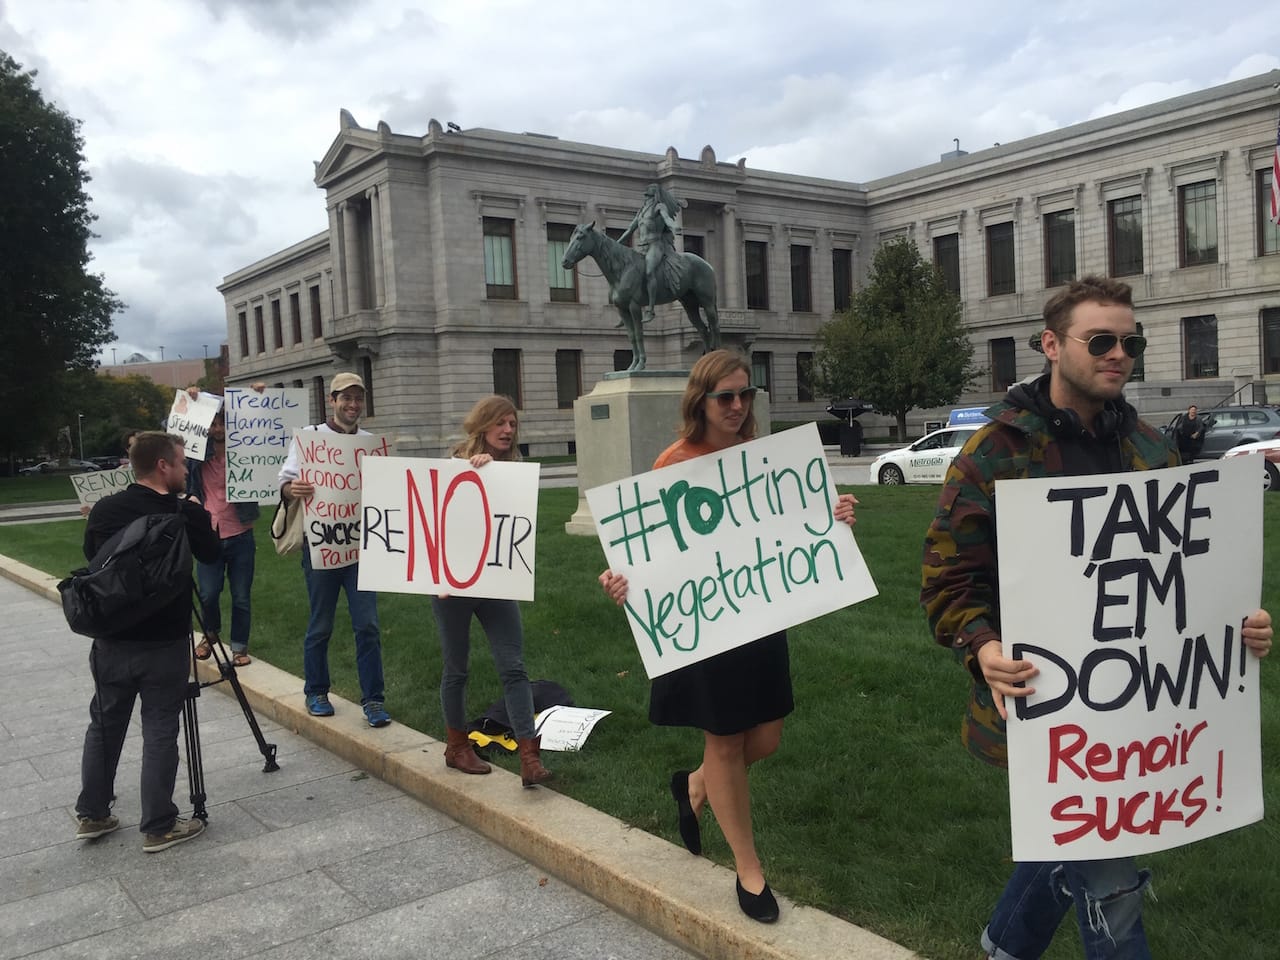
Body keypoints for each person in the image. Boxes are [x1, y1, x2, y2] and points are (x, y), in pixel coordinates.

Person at [921, 276, 1273, 960]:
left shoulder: (1152, 449)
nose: (1119, 355)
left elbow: (1183, 575)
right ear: (1052, 345)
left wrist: (1238, 621)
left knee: (1073, 839)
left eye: (1129, 343)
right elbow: (947, 578)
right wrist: (983, 647)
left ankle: (1002, 947)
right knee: (1109, 876)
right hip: (1047, 702)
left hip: (1140, 708)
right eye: (1102, 340)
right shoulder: (995, 452)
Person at [599, 348, 858, 923]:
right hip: (706, 627)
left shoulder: (763, 458)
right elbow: (650, 551)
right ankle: (749, 869)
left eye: (745, 394)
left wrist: (835, 517)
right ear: (701, 400)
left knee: (765, 739)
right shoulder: (674, 463)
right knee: (725, 742)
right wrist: (621, 581)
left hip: (758, 616)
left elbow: (796, 524)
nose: (737, 405)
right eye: (725, 397)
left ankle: (695, 786)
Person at [74, 431, 220, 852]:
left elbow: (92, 559)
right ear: (162, 465)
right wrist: (199, 516)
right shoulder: (182, 511)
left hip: (111, 638)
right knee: (159, 728)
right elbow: (212, 555)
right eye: (181, 463)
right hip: (164, 641)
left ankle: (93, 814)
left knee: (104, 725)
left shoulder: (105, 509)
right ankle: (158, 825)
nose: (185, 470)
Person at [429, 395, 552, 787]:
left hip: (496, 581)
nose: (508, 430)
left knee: (513, 666)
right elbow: (436, 520)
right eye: (501, 423)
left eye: (513, 424)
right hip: (454, 586)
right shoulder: (455, 465)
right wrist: (473, 469)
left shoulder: (513, 471)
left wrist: (497, 473)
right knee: (456, 668)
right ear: (483, 425)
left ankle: (529, 756)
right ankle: (456, 747)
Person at [277, 372, 390, 727]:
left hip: (360, 550)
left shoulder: (371, 444)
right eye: (346, 398)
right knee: (321, 623)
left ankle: (373, 700)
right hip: (321, 546)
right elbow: (284, 483)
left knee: (368, 625)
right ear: (332, 400)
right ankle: (316, 691)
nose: (353, 405)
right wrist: (292, 490)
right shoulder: (310, 439)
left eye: (358, 398)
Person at [186, 385, 266, 667]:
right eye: (214, 423)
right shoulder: (197, 453)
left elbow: (266, 427)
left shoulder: (246, 449)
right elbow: (172, 429)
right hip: (209, 531)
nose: (218, 429)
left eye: (223, 423)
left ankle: (239, 647)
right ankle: (210, 634)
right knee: (208, 593)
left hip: (241, 531)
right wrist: (194, 401)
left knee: (241, 596)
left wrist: (256, 397)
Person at [617, 182, 681, 324]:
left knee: (649, 271)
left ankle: (650, 310)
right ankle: (627, 308)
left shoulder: (659, 207)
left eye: (649, 196)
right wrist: (617, 243)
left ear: (655, 196)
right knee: (628, 274)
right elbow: (630, 230)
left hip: (656, 245)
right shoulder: (641, 211)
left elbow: (667, 219)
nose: (646, 198)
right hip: (642, 247)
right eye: (646, 196)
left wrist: (674, 226)